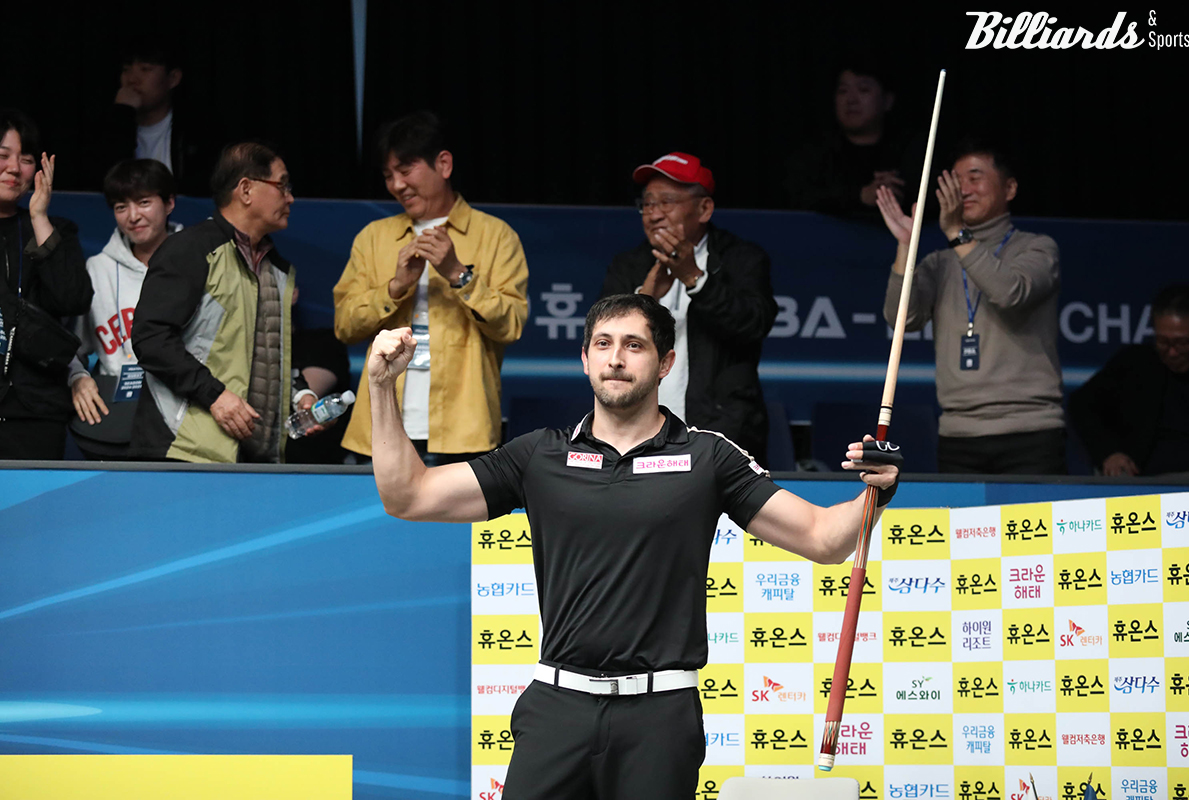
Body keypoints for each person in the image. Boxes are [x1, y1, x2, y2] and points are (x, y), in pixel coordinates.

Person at [368, 293, 901, 799]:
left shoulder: (708, 457)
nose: (616, 358)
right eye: (602, 344)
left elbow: (824, 539)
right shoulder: (538, 454)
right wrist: (379, 389)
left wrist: (878, 492)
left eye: (634, 345)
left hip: (660, 716)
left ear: (665, 363)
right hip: (556, 708)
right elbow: (407, 495)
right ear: (584, 359)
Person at [333, 110, 529, 465]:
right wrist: (395, 287)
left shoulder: (496, 236)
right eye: (388, 175)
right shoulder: (373, 238)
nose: (396, 185)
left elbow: (511, 325)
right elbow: (345, 326)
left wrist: (459, 274)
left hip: (464, 433)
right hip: (379, 433)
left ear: (444, 164)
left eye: (405, 171)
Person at [879, 139, 1065, 474]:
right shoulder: (940, 262)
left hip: (1031, 431)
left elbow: (1009, 292)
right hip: (958, 433)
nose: (964, 189)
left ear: (1009, 188)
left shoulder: (1037, 248)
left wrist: (956, 231)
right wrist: (906, 246)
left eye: (975, 177)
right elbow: (901, 320)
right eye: (956, 180)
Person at [130, 142, 314, 463]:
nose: (290, 197)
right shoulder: (190, 249)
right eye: (282, 185)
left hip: (258, 458)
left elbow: (267, 352)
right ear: (246, 189)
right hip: (185, 449)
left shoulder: (280, 270)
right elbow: (150, 338)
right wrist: (214, 396)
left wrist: (301, 395)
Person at [600, 152, 777, 462]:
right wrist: (644, 300)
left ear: (704, 208)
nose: (653, 214)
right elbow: (602, 340)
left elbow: (753, 325)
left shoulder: (741, 259)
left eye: (666, 203)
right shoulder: (627, 266)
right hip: (636, 432)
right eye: (648, 204)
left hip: (721, 435)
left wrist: (696, 280)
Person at [68, 159, 180, 460]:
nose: (133, 216)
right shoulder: (96, 269)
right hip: (117, 410)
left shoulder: (198, 261)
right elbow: (73, 349)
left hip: (183, 411)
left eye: (144, 202)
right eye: (121, 207)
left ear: (169, 203)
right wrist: (77, 377)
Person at [0, 108, 93, 460]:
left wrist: (39, 216)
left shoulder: (57, 229)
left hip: (35, 412)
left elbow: (71, 299)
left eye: (25, 159)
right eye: (3, 155)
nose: (13, 168)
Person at [1069, 285, 1189, 477]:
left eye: (1182, 343)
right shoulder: (1136, 363)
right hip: (1142, 482)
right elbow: (1081, 404)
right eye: (1163, 342)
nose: (1172, 352)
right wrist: (1108, 452)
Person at [784, 59, 918, 222]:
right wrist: (861, 196)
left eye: (863, 90)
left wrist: (894, 193)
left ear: (887, 100)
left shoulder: (912, 150)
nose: (851, 100)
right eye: (843, 91)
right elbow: (797, 199)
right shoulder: (815, 154)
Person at [93, 41, 213, 196]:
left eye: (145, 69)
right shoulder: (108, 127)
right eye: (126, 70)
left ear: (173, 78)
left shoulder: (196, 128)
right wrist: (122, 115)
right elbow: (105, 181)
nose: (132, 80)